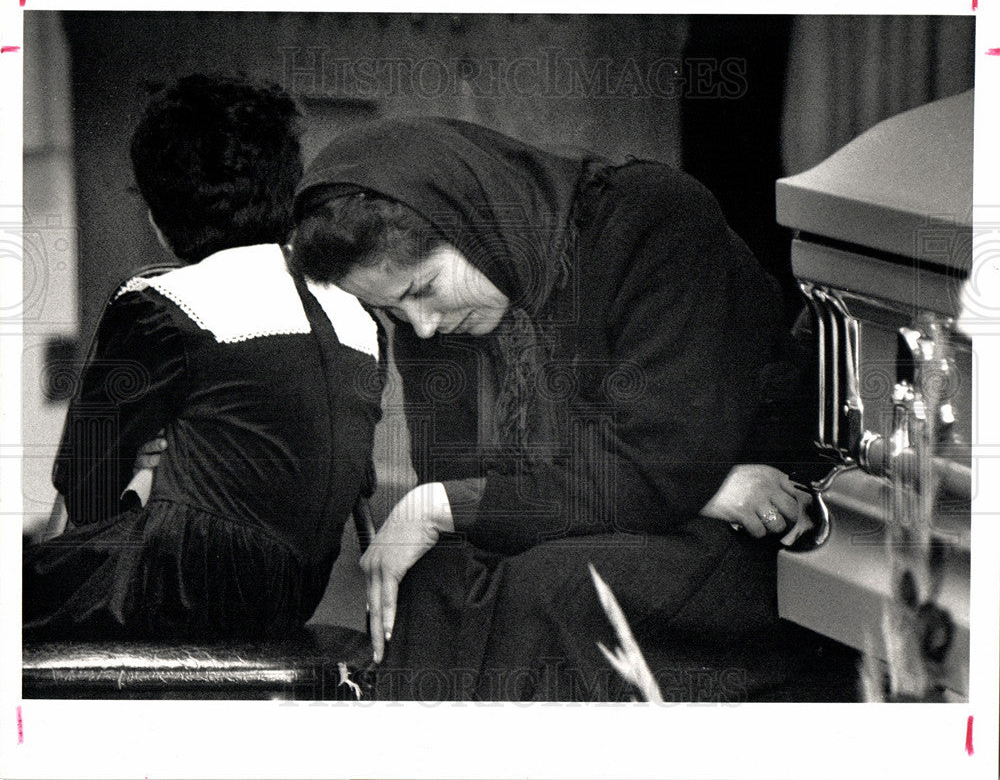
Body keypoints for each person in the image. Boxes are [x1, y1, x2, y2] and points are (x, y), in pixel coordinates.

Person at [290, 117, 821, 701]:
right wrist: (695, 482)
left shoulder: (655, 219)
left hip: (745, 544)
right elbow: (469, 481)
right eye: (391, 311)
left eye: (423, 288)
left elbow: (649, 462)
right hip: (659, 505)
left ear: (475, 223)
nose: (422, 325)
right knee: (438, 576)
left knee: (547, 591)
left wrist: (673, 482)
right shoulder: (435, 327)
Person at [22, 75, 384, 640]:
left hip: (179, 587)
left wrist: (138, 471)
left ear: (157, 216)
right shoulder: (359, 315)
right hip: (296, 595)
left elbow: (83, 493)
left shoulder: (157, 304)